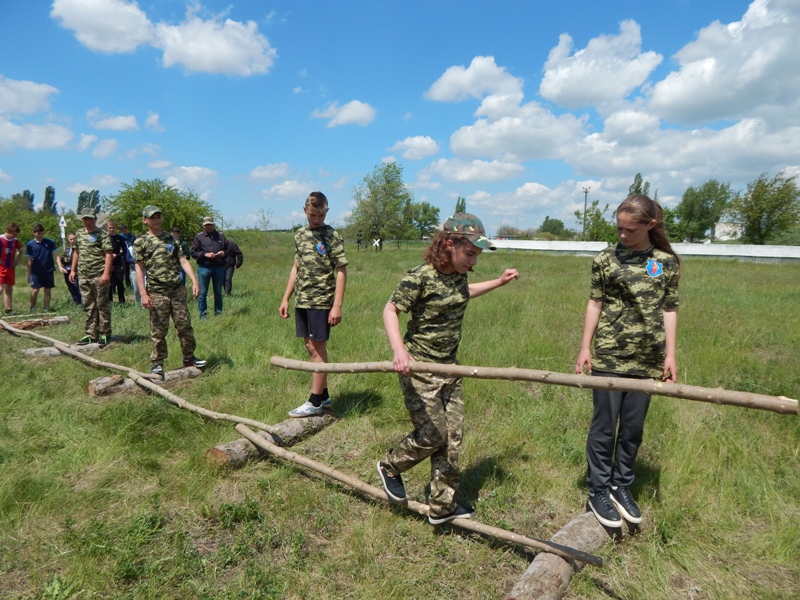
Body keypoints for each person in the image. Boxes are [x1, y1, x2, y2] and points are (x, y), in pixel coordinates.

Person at [376, 213, 519, 525]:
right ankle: (390, 466)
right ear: (450, 244)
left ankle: (442, 506)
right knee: (433, 434)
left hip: (451, 369)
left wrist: (499, 282)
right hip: (420, 368)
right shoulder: (420, 276)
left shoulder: (458, 275)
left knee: (452, 439)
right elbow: (390, 309)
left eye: (477, 256)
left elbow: (462, 294)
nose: (473, 262)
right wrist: (399, 351)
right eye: (470, 254)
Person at [575, 194, 680, 528]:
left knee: (633, 429)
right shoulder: (605, 259)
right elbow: (595, 302)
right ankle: (598, 490)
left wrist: (670, 354)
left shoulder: (666, 262)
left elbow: (669, 308)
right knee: (605, 427)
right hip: (609, 353)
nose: (622, 235)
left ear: (650, 225)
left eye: (629, 230)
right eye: (618, 228)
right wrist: (585, 347)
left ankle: (622, 486)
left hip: (647, 359)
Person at [279, 192, 348, 418]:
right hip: (303, 300)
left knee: (318, 348)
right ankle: (325, 394)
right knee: (309, 347)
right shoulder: (300, 235)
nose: (316, 219)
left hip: (321, 301)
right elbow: (296, 267)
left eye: (320, 215)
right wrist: (286, 297)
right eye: (312, 215)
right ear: (304, 211)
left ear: (326, 212)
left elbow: (341, 270)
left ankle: (315, 401)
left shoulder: (331, 236)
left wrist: (337, 305)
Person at [134, 206, 206, 376]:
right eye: (152, 217)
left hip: (176, 290)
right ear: (145, 220)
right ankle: (158, 363)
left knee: (184, 325)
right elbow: (139, 268)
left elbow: (183, 261)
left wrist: (194, 281)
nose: (157, 219)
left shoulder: (171, 239)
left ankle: (189, 357)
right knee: (159, 329)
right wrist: (143, 294)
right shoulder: (141, 241)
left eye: (159, 216)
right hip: (157, 292)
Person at [70, 208, 113, 346]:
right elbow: (77, 252)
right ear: (82, 220)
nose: (88, 222)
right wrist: (73, 270)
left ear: (95, 219)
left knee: (102, 305)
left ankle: (105, 333)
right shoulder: (79, 233)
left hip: (99, 275)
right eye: (85, 219)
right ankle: (90, 334)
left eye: (90, 219)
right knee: (88, 305)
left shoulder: (102, 234)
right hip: (84, 275)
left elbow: (108, 253)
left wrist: (106, 273)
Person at [190, 216, 228, 318]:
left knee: (218, 293)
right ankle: (203, 314)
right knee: (202, 293)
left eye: (210, 224)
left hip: (219, 268)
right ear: (204, 226)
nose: (209, 227)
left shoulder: (220, 236)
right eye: (207, 225)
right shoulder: (199, 237)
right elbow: (193, 252)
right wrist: (204, 255)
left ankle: (218, 313)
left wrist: (223, 253)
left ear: (213, 224)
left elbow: (228, 249)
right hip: (204, 268)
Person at [25, 223, 60, 313]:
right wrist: (29, 274)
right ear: (33, 232)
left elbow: (56, 255)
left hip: (48, 270)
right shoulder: (30, 244)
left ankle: (46, 309)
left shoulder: (50, 242)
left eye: (42, 233)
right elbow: (29, 260)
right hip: (36, 272)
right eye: (38, 233)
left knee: (47, 290)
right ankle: (33, 307)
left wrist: (60, 266)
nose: (40, 235)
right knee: (35, 290)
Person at [0, 223, 23, 315]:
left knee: (9, 289)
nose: (15, 236)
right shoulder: (1, 239)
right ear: (8, 231)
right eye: (13, 234)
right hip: (1, 268)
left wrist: (17, 260)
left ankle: (8, 309)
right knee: (0, 288)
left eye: (16, 235)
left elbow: (21, 250)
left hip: (10, 268)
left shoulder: (15, 241)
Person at [58, 233, 82, 306]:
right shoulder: (67, 249)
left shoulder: (79, 249)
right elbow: (63, 259)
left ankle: (81, 303)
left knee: (77, 286)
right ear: (68, 240)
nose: (72, 241)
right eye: (71, 239)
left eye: (74, 239)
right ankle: (76, 302)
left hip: (76, 270)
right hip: (67, 270)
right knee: (71, 288)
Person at [106, 220, 127, 304]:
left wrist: (116, 255)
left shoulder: (120, 238)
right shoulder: (105, 238)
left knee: (120, 283)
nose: (111, 229)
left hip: (118, 263)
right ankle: (109, 301)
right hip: (107, 263)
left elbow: (124, 251)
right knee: (109, 284)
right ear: (107, 228)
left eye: (113, 228)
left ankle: (122, 301)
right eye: (110, 228)